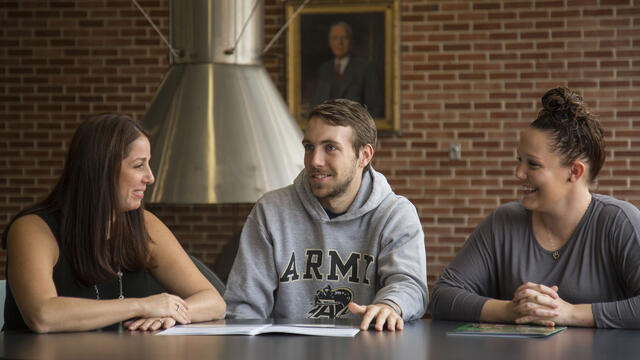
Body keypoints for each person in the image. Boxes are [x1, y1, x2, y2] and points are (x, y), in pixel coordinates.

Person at [429, 87, 640, 328]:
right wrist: (513, 309)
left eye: (533, 164)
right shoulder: (503, 222)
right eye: (519, 160)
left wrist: (568, 313)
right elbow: (442, 297)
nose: (519, 173)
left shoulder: (620, 222)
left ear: (574, 172)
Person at [1, 113, 226, 333]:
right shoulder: (32, 229)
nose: (150, 177)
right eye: (139, 165)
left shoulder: (144, 225)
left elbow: (214, 302)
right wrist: (142, 306)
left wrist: (168, 313)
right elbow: (42, 315)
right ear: (102, 169)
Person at [224, 99, 427, 331]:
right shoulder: (271, 211)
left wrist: (389, 305)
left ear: (364, 156)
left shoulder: (395, 214)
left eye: (330, 147)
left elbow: (410, 285)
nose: (315, 161)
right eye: (309, 147)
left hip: (367, 350)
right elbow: (244, 307)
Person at [310, 22, 384, 118]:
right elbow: (317, 104)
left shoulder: (365, 68)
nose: (339, 43)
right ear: (329, 42)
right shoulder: (324, 69)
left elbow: (375, 108)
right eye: (335, 38)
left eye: (344, 38)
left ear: (351, 41)